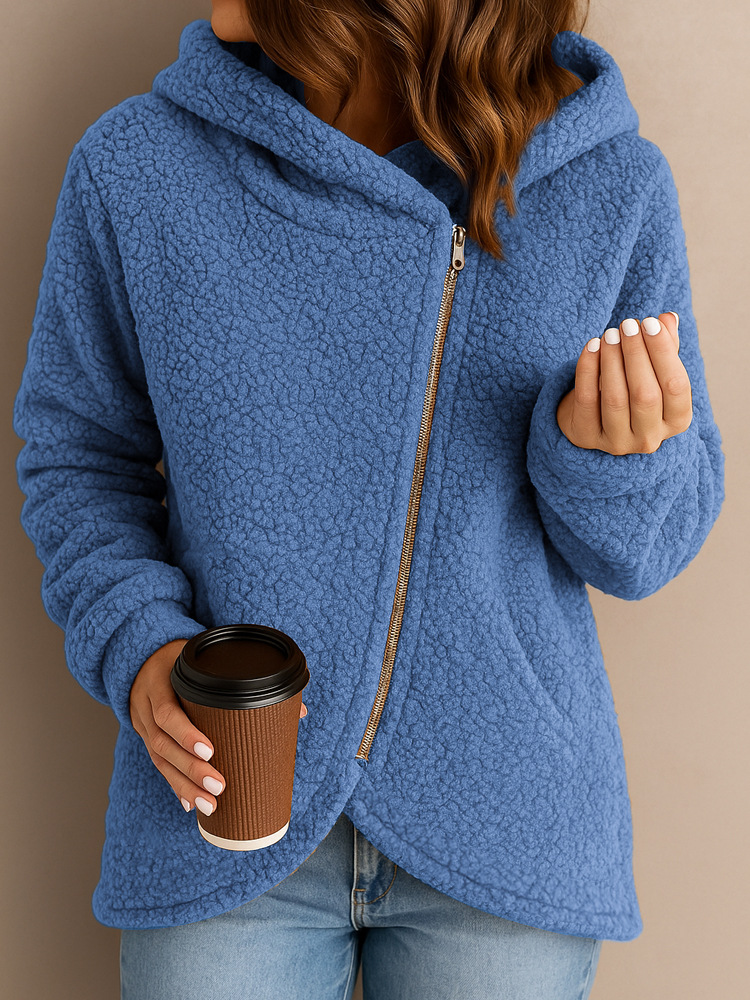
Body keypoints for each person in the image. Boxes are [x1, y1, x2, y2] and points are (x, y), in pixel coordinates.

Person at [11, 1, 725, 997]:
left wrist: (610, 456)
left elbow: (647, 550)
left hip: (505, 830)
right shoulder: (138, 167)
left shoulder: (607, 185)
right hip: (221, 815)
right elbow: (79, 458)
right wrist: (138, 645)